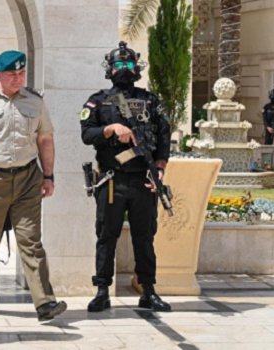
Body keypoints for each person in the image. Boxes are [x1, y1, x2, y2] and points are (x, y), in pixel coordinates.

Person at [0, 50, 67, 321]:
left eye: (21, 73)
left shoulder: (35, 102)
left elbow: (45, 139)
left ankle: (44, 302)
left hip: (28, 178)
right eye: (12, 74)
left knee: (31, 241)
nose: (18, 78)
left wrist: (49, 176)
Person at [80, 41, 172, 312]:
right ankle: (101, 291)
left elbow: (164, 136)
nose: (124, 69)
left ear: (137, 69)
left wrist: (160, 168)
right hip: (112, 180)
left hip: (143, 180)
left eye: (128, 64)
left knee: (144, 237)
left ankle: (148, 290)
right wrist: (111, 129)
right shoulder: (97, 101)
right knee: (106, 235)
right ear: (109, 69)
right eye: (118, 65)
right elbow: (87, 135)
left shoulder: (151, 101)